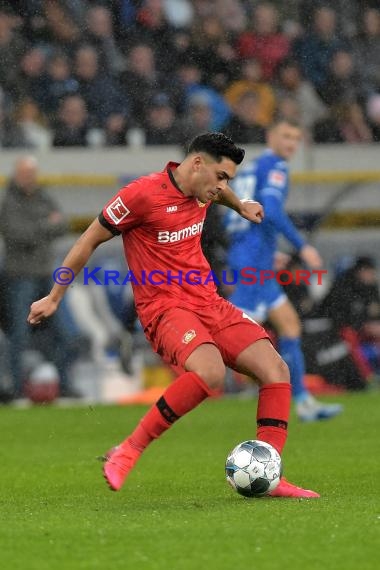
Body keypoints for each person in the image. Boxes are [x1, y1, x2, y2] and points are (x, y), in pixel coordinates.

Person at [28, 132, 319, 498]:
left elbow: (221, 190)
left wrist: (240, 204)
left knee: (276, 369)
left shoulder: (205, 188)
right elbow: (88, 239)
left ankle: (270, 475)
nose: (223, 186)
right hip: (165, 308)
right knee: (210, 371)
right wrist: (55, 297)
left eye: (228, 179)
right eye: (221, 177)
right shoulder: (141, 196)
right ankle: (128, 449)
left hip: (208, 302)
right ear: (197, 164)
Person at [224, 119, 343, 421]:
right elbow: (272, 211)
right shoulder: (276, 166)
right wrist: (302, 246)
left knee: (289, 326)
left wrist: (267, 250)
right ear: (270, 136)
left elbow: (235, 219)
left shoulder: (250, 169)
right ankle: (198, 380)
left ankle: (302, 401)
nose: (292, 143)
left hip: (252, 257)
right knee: (230, 340)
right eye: (286, 136)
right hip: (251, 263)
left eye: (296, 138)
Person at [0, 155, 79, 398]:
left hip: (47, 275)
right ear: (17, 175)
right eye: (25, 173)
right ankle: (15, 391)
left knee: (66, 334)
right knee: (19, 336)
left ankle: (64, 386)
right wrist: (45, 226)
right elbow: (16, 234)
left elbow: (62, 224)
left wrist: (39, 228)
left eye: (31, 173)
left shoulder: (43, 195)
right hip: (19, 276)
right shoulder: (8, 201)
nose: (29, 178)